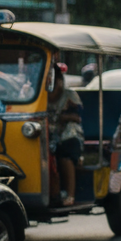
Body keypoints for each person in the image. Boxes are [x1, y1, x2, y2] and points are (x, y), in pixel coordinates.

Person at [47, 63, 83, 206]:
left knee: (65, 155)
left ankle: (70, 195)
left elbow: (78, 117)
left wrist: (63, 118)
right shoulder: (37, 96)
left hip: (69, 134)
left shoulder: (70, 96)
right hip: (48, 135)